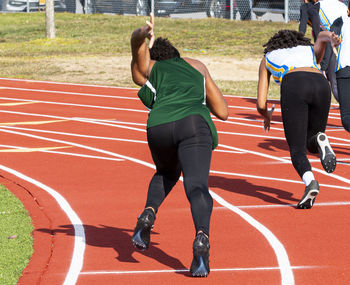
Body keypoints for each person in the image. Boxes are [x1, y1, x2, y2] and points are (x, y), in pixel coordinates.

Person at [130, 14, 228, 277]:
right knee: (197, 186)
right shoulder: (196, 66)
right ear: (177, 55)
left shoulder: (153, 69)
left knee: (166, 172)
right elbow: (223, 111)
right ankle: (201, 239)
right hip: (193, 126)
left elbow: (136, 56)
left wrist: (142, 34)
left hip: (158, 126)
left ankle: (147, 215)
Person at [257, 29, 340, 209]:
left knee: (297, 149)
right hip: (320, 83)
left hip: (294, 83)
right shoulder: (308, 49)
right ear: (299, 40)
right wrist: (331, 38)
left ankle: (310, 182)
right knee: (313, 141)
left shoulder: (267, 58)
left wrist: (267, 115)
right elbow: (321, 37)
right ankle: (320, 138)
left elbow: (261, 104)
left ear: (273, 44)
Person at [333, 2, 350, 132]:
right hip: (345, 71)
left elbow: (329, 38)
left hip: (345, 70)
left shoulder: (341, 21)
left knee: (346, 117)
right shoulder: (341, 21)